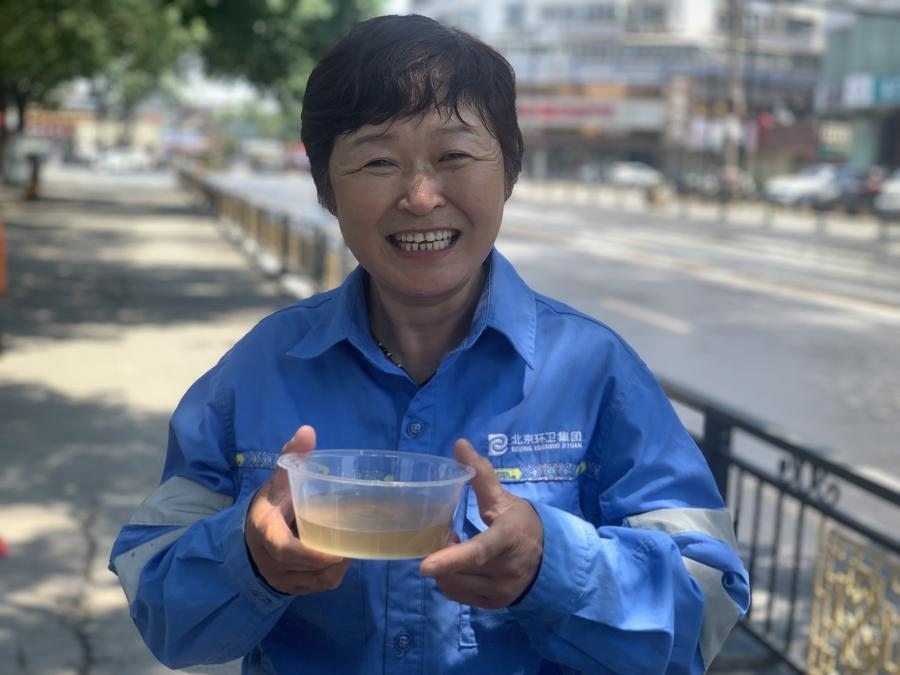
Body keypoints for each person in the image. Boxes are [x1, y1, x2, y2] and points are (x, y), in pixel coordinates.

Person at [109, 14, 749, 674]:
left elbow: (707, 605)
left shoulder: (594, 371)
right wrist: (246, 556)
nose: (420, 197)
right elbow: (154, 594)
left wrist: (550, 565)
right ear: (327, 189)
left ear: (509, 172)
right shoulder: (258, 369)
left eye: (455, 156)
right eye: (378, 161)